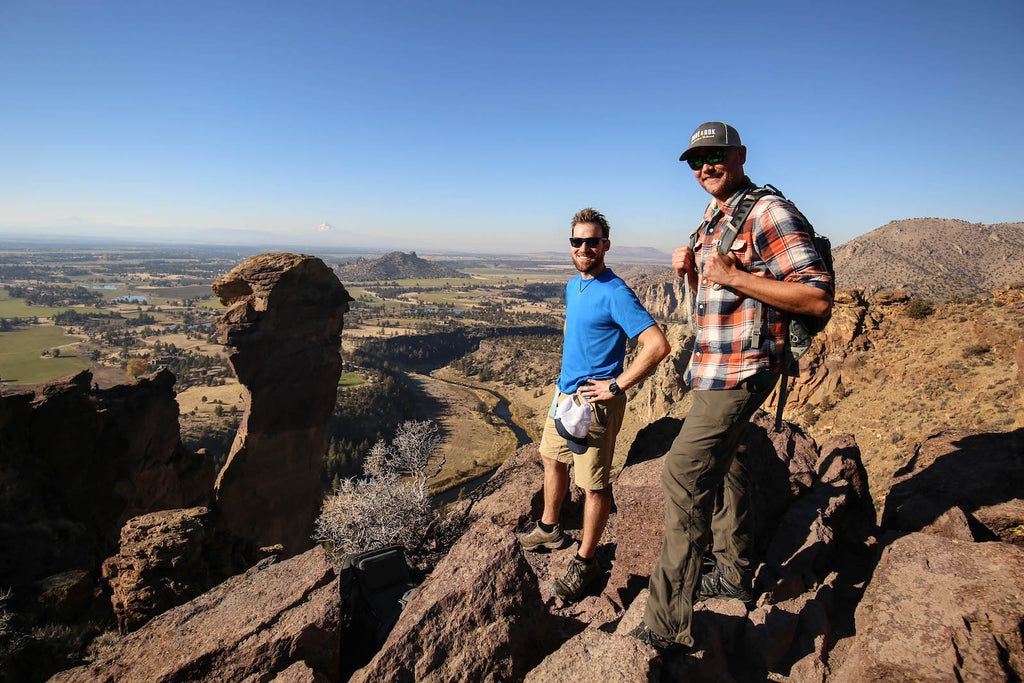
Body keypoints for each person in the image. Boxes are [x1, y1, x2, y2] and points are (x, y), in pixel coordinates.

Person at [631, 122, 833, 651]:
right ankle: (735, 574)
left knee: (683, 472)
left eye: (715, 156)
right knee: (730, 463)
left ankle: (667, 622)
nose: (705, 167)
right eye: (696, 161)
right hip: (712, 365)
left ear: (740, 155)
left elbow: (816, 299)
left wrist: (734, 276)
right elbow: (715, 299)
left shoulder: (768, 212)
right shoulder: (714, 217)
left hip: (743, 369)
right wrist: (692, 275)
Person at [519, 207, 671, 602]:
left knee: (593, 484)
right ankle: (551, 528)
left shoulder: (616, 291)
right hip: (564, 395)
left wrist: (616, 386)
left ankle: (585, 562)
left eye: (592, 241)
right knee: (551, 459)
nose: (584, 247)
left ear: (605, 245)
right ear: (570, 245)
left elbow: (657, 345)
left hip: (595, 404)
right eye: (577, 241)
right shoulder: (575, 285)